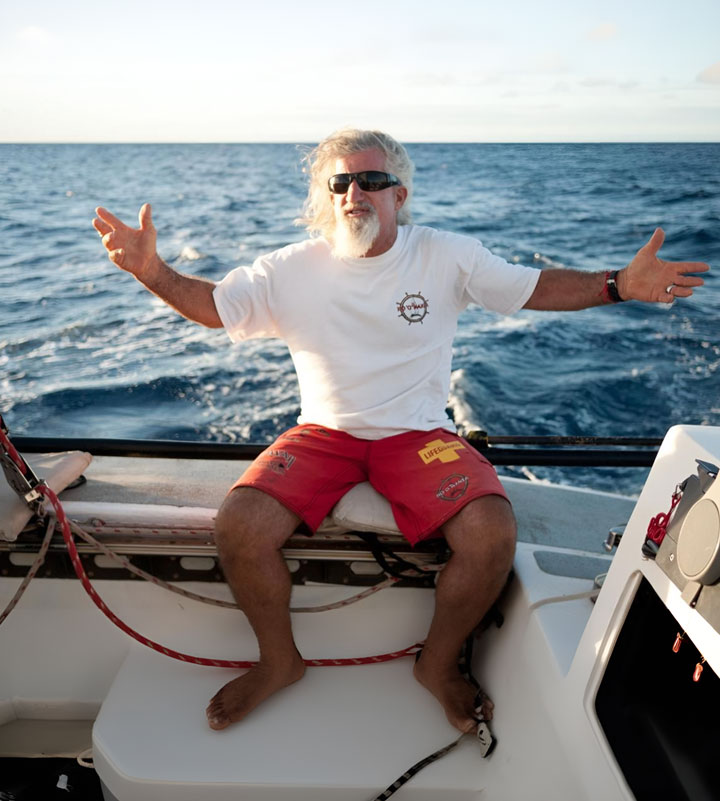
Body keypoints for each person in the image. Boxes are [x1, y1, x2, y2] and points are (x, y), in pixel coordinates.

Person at [93, 128, 709, 735]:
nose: (354, 193)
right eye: (340, 182)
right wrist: (151, 270)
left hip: (418, 436)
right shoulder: (291, 268)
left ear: (399, 194)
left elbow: (531, 287)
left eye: (371, 179)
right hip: (323, 433)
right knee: (240, 526)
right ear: (327, 195)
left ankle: (436, 664)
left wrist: (618, 285)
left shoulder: (444, 255)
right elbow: (215, 306)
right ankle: (279, 661)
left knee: (490, 533)